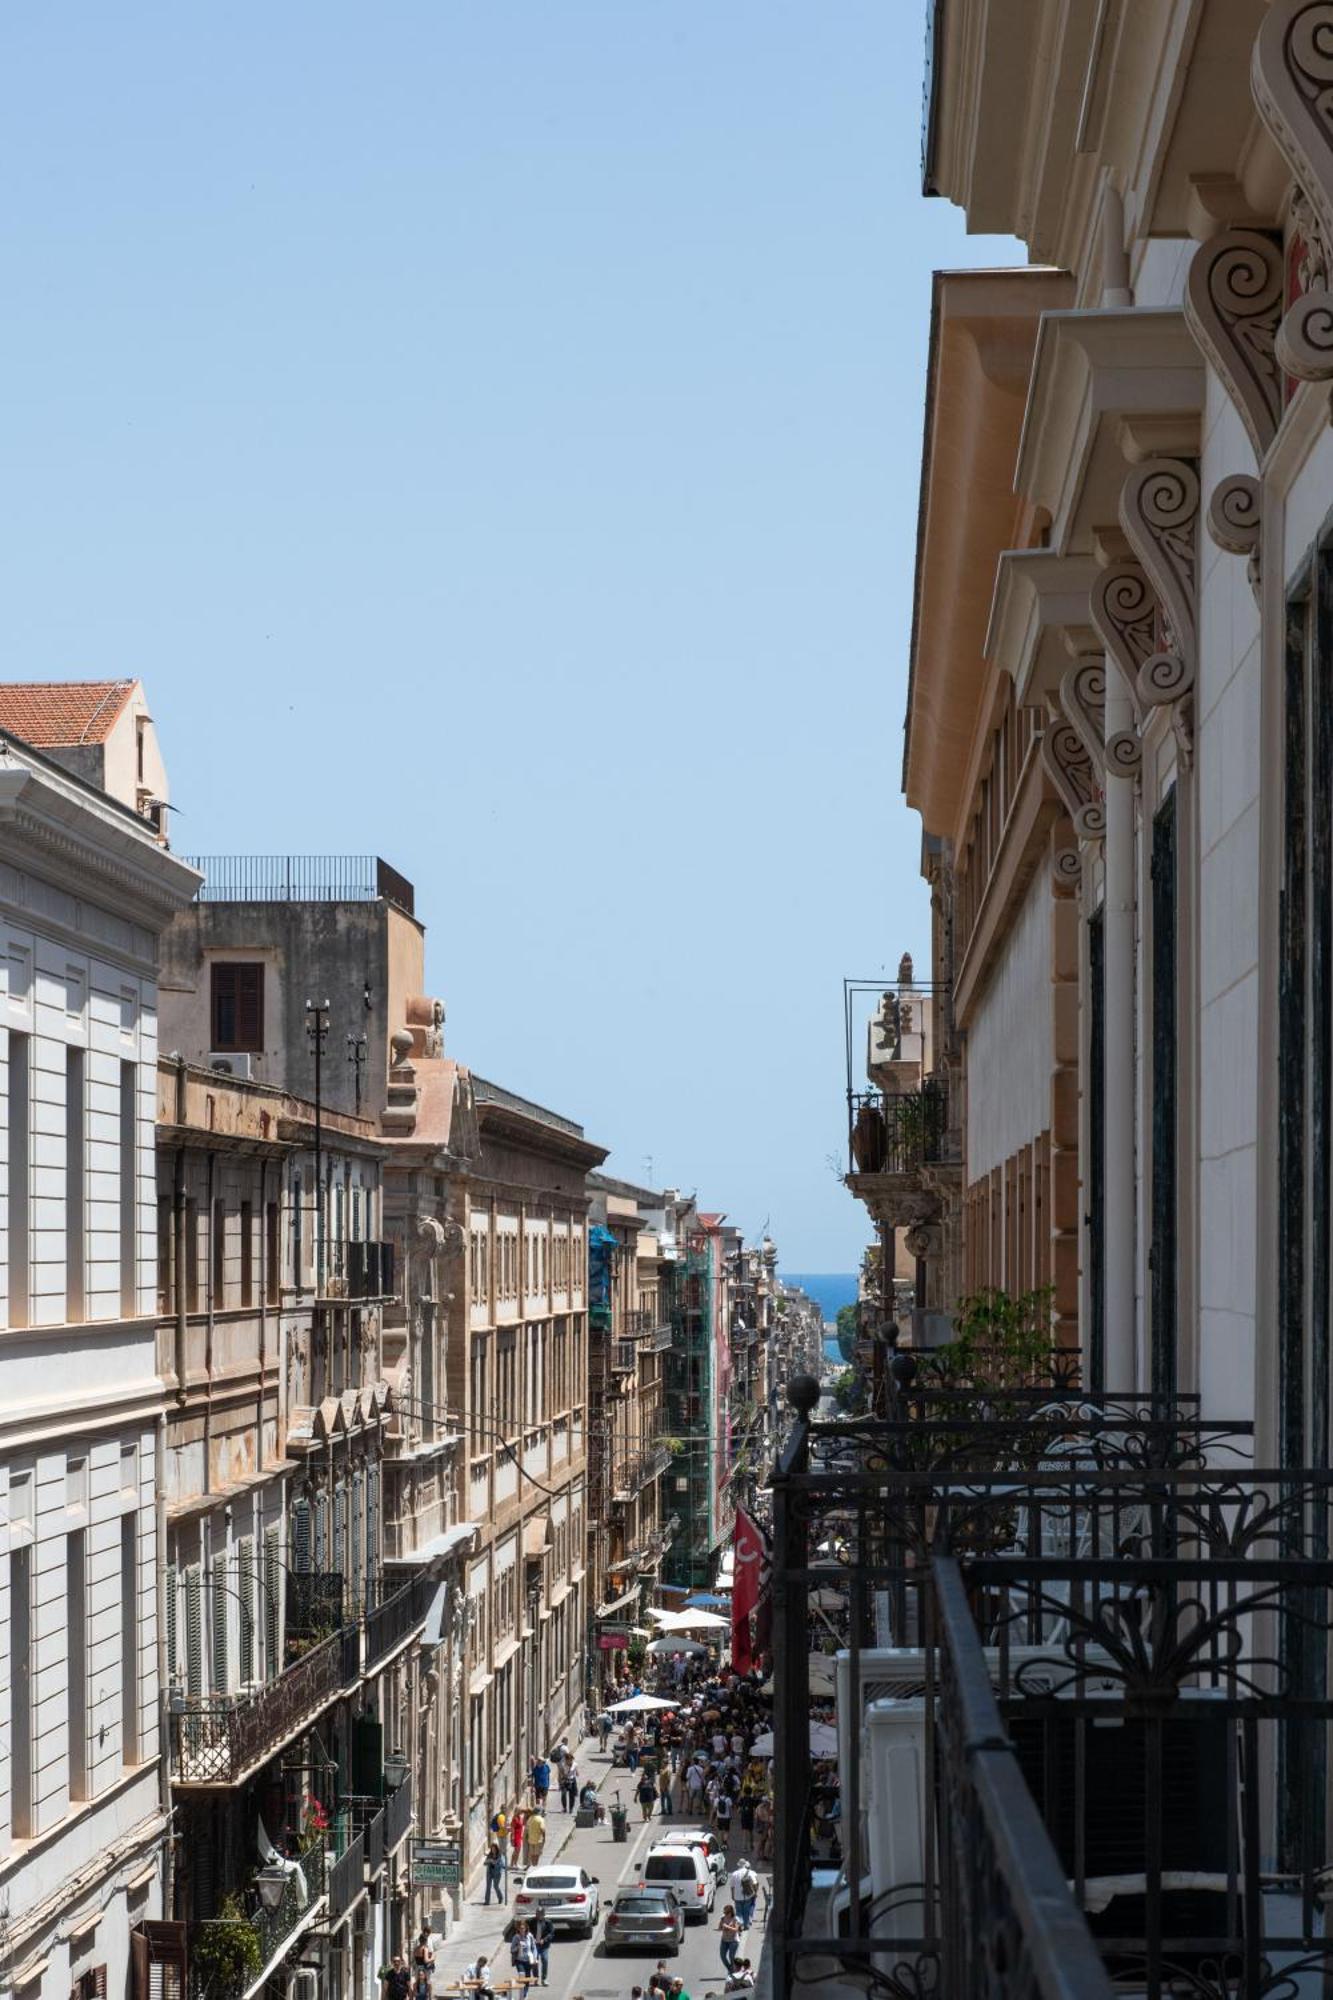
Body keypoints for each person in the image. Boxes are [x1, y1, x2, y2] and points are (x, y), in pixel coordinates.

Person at [510, 1920, 540, 1987]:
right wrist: (518, 1947)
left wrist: (535, 1957)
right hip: (519, 1960)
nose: (522, 1930)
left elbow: (534, 1947)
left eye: (523, 1928)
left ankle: (525, 1994)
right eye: (520, 1928)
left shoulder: (530, 1936)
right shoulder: (516, 1937)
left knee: (527, 1979)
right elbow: (512, 1949)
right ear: (518, 1929)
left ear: (526, 1928)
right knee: (522, 1975)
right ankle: (522, 1994)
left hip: (528, 1960)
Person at [731, 1860, 758, 1931]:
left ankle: (739, 1925)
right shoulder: (749, 1873)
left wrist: (732, 1895)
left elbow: (732, 1886)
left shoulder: (734, 1874)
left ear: (738, 1865)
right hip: (747, 1896)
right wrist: (755, 1892)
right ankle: (746, 1925)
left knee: (738, 1912)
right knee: (746, 1911)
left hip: (737, 1897)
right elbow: (755, 1883)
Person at [718, 1904, 741, 1976]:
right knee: (722, 1956)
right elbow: (719, 1928)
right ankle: (730, 1969)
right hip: (724, 1940)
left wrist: (727, 1927)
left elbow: (736, 1929)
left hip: (733, 1941)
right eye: (724, 1912)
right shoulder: (723, 1918)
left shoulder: (735, 1919)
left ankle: (733, 1972)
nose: (725, 1914)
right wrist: (721, 1924)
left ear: (731, 1912)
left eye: (726, 1913)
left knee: (731, 1957)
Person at [533, 1912, 555, 1987]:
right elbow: (529, 1931)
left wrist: (544, 1940)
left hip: (544, 1945)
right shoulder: (532, 1922)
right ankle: (535, 1978)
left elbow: (551, 1933)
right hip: (535, 1945)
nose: (539, 1916)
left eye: (540, 1914)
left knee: (545, 1960)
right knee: (535, 1961)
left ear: (543, 1915)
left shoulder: (548, 1922)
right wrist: (533, 1939)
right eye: (537, 1914)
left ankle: (544, 1979)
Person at [483, 1839, 506, 1905]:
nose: (493, 1850)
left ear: (496, 1849)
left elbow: (502, 1864)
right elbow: (484, 1863)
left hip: (497, 1873)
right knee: (488, 1887)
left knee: (495, 1886)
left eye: (494, 1849)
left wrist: (495, 1862)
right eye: (492, 1849)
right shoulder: (489, 1855)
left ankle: (500, 1897)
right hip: (489, 1872)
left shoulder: (500, 1856)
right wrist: (489, 1861)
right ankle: (487, 1901)